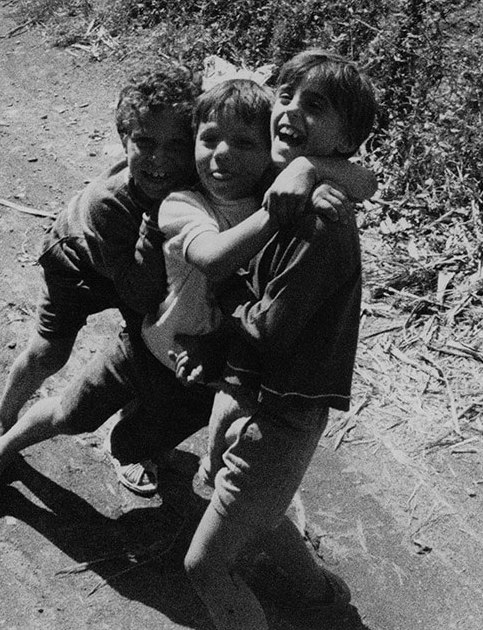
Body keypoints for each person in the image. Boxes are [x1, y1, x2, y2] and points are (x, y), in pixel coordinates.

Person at [0, 57, 204, 534]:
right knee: (48, 351)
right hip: (82, 260)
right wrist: (154, 220)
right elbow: (138, 293)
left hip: (145, 275)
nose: (160, 159)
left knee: (149, 343)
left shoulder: (199, 180)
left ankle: (133, 439)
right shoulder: (111, 203)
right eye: (145, 142)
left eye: (177, 145)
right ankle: (0, 423)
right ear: (123, 140)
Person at [181, 50, 378, 630]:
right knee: (244, 502)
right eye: (285, 97)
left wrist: (209, 328)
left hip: (282, 413)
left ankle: (314, 598)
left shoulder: (320, 221)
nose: (289, 111)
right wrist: (309, 170)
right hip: (252, 394)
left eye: (313, 106)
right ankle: (320, 596)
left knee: (206, 569)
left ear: (349, 136)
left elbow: (267, 329)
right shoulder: (287, 184)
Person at [143, 67, 371, 492]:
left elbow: (367, 181)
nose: (224, 154)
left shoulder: (272, 177)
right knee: (90, 415)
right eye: (210, 139)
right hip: (168, 338)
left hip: (222, 353)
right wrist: (284, 200)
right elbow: (214, 262)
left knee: (217, 456)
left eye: (245, 142)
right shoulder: (189, 197)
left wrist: (306, 171)